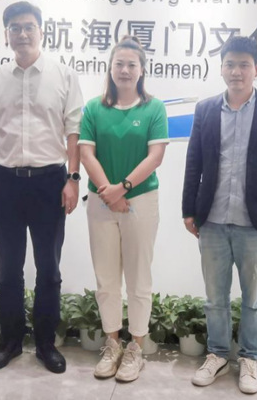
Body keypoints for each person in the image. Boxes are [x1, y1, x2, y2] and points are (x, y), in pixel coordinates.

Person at [0, 1, 83, 374]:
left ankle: (45, 344)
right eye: (15, 28)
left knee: (48, 268)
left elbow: (73, 132)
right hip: (5, 182)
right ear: (6, 34)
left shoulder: (63, 75)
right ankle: (10, 342)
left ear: (41, 31)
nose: (22, 34)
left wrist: (72, 179)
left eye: (29, 27)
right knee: (9, 269)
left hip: (50, 182)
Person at [181, 36, 257, 394]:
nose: (236, 71)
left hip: (255, 222)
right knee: (214, 297)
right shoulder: (206, 110)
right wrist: (188, 209)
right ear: (221, 68)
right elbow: (194, 162)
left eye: (244, 65)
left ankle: (249, 359)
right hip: (212, 219)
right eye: (230, 64)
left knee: (254, 298)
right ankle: (217, 354)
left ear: (256, 69)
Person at [79, 36, 169, 382]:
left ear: (142, 70)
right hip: (101, 202)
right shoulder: (94, 108)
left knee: (138, 276)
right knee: (106, 278)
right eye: (119, 63)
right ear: (110, 68)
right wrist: (109, 192)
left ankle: (136, 348)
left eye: (132, 64)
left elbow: (155, 156)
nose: (125, 70)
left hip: (140, 200)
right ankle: (113, 343)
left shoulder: (154, 108)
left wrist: (122, 188)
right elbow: (86, 154)